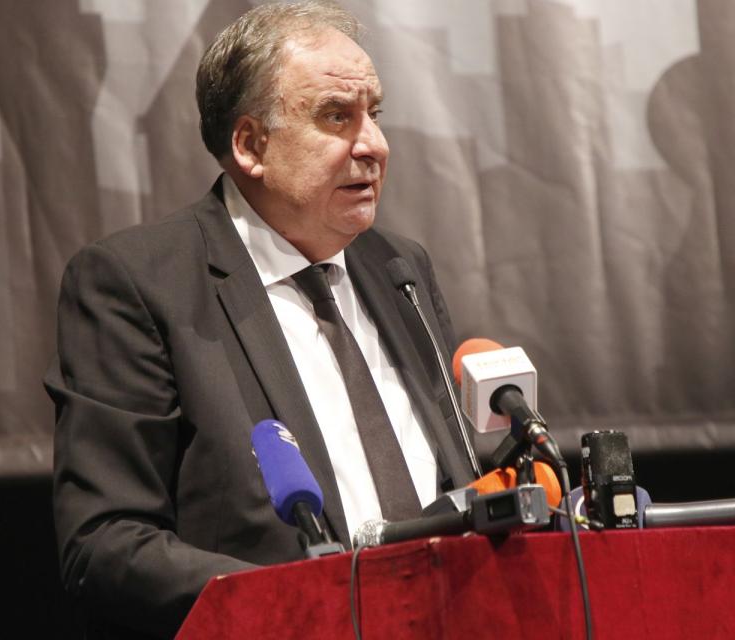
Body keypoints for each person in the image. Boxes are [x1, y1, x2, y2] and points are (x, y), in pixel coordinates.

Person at [45, 2, 474, 638]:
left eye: (375, 114)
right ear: (250, 145)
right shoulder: (137, 284)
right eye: (337, 116)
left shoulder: (399, 268)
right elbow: (105, 543)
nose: (374, 145)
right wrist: (304, 606)